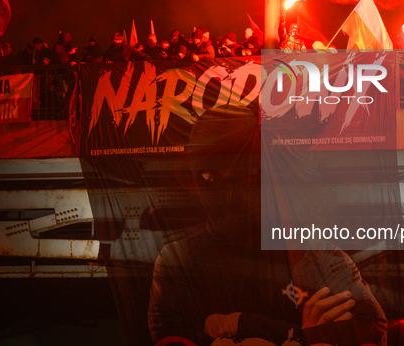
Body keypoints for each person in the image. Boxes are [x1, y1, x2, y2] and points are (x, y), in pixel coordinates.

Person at [148, 105, 388, 346]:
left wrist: (241, 324)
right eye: (212, 178)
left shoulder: (319, 255)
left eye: (248, 176)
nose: (231, 196)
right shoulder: (178, 259)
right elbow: (171, 339)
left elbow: (370, 331)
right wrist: (302, 335)